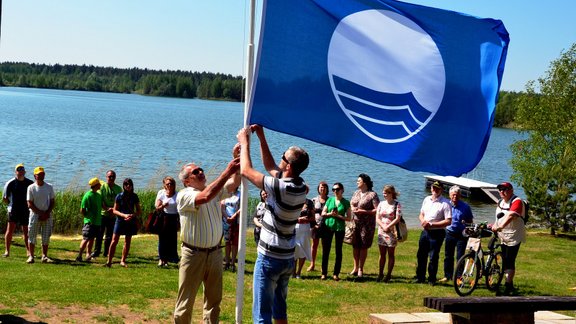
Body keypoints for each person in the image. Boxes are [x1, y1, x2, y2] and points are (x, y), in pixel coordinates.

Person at [237, 124, 309, 324]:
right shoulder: (301, 186)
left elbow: (245, 170)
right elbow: (271, 167)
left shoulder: (279, 187)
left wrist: (244, 143)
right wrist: (261, 136)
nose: (280, 159)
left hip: (270, 258)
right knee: (279, 312)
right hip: (287, 258)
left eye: (283, 157)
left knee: (262, 316)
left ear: (288, 166)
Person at [173, 148, 240, 323]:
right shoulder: (184, 195)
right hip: (193, 254)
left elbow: (234, 183)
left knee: (213, 302)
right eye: (195, 172)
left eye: (201, 169)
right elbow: (205, 196)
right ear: (187, 181)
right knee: (185, 304)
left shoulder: (214, 191)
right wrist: (227, 171)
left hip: (216, 253)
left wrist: (237, 159)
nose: (201, 172)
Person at [491, 181, 526, 295]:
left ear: (511, 191)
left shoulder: (517, 201)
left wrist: (500, 226)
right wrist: (494, 225)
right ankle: (509, 283)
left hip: (514, 235)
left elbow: (511, 216)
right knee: (505, 258)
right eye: (500, 189)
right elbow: (499, 216)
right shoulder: (500, 202)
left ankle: (507, 285)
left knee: (510, 260)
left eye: (505, 189)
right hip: (502, 234)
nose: (502, 192)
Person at [415, 181, 452, 285]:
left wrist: (432, 225)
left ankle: (432, 278)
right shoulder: (426, 199)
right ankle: (420, 277)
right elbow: (421, 214)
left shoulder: (445, 203)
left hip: (437, 233)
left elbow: (448, 221)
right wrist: (423, 221)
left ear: (441, 190)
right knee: (421, 255)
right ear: (431, 188)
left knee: (433, 256)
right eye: (433, 188)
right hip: (425, 231)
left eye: (437, 188)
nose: (435, 190)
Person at [439, 185, 474, 283]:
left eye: (457, 195)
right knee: (448, 256)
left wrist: (468, 228)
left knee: (460, 256)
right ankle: (447, 275)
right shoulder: (446, 205)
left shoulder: (465, 207)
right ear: (450, 195)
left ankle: (459, 277)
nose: (455, 197)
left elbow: (470, 221)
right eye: (453, 195)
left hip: (461, 235)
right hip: (449, 233)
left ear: (460, 195)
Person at [105, 178, 141, 268]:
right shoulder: (119, 196)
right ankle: (109, 261)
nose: (128, 186)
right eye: (126, 184)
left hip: (130, 220)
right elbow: (114, 210)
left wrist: (132, 215)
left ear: (132, 186)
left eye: (129, 184)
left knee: (127, 241)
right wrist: (124, 215)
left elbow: (139, 211)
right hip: (120, 220)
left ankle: (123, 260)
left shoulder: (134, 196)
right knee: (114, 241)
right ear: (123, 186)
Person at [349, 173, 380, 278]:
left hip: (367, 225)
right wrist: (352, 208)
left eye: (359, 180)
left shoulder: (372, 195)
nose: (357, 182)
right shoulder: (356, 192)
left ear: (365, 183)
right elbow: (351, 203)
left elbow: (377, 209)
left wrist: (364, 211)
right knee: (355, 245)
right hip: (355, 223)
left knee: (363, 246)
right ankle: (355, 267)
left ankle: (361, 269)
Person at [320, 182, 351, 281]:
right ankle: (324, 273)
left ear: (342, 190)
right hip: (328, 227)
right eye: (333, 189)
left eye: (337, 189)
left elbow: (349, 218)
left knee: (338, 251)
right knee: (326, 250)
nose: (335, 191)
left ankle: (335, 273)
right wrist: (330, 214)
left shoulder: (346, 202)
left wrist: (338, 216)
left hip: (340, 229)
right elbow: (323, 213)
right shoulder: (329, 200)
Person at [3, 163, 34, 258]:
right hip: (13, 209)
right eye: (18, 171)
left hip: (26, 210)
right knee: (10, 230)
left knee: (26, 231)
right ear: (15, 172)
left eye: (22, 171)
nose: (20, 172)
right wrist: (10, 205)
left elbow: (34, 196)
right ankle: (7, 251)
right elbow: (5, 198)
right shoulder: (10, 183)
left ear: (24, 172)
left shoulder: (30, 183)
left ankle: (28, 251)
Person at [26, 166, 55, 264]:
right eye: (39, 174)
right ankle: (31, 256)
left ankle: (44, 256)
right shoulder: (31, 187)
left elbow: (52, 201)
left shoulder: (49, 187)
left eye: (42, 174)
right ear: (35, 176)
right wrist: (40, 213)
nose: (41, 176)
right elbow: (29, 203)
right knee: (32, 235)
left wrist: (46, 213)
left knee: (46, 236)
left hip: (47, 215)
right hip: (34, 215)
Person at [375, 185, 402, 283]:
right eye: (383, 192)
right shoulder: (381, 204)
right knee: (382, 254)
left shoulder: (397, 204)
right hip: (381, 231)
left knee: (391, 254)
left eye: (386, 193)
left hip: (392, 232)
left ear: (391, 194)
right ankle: (380, 273)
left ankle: (388, 274)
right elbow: (377, 217)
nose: (384, 194)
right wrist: (383, 226)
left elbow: (397, 218)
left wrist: (388, 226)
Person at [93, 170, 122, 258]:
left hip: (113, 215)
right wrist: (106, 208)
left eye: (113, 176)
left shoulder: (118, 188)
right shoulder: (102, 187)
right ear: (106, 177)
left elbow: (120, 201)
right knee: (99, 234)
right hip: (103, 214)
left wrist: (113, 210)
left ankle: (106, 252)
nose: (111, 178)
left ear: (115, 177)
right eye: (109, 176)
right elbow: (100, 200)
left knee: (109, 235)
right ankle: (96, 252)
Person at [155, 176, 179, 267]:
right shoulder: (161, 193)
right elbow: (157, 208)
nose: (170, 185)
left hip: (174, 218)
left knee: (172, 240)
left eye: (171, 183)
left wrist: (179, 221)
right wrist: (163, 206)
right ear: (164, 185)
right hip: (164, 218)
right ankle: (161, 259)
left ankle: (169, 259)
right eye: (168, 184)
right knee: (162, 240)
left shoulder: (177, 194)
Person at [77, 177, 103, 262]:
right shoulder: (88, 195)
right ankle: (79, 255)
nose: (100, 185)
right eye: (99, 184)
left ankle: (88, 254)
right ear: (96, 185)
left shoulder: (98, 195)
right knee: (86, 238)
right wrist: (87, 217)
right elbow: (82, 209)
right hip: (89, 222)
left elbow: (102, 205)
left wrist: (109, 209)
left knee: (92, 239)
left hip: (97, 222)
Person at [293, 186, 314, 279]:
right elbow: (290, 215)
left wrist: (307, 219)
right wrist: (299, 218)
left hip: (305, 228)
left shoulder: (309, 202)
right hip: (295, 227)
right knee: (295, 249)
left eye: (304, 190)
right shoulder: (293, 200)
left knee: (304, 248)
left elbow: (313, 217)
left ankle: (299, 272)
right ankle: (292, 272)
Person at [307, 181, 328, 272]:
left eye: (324, 187)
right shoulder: (314, 200)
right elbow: (310, 214)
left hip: (327, 226)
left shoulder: (330, 200)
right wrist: (313, 224)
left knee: (325, 246)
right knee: (314, 245)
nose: (322, 189)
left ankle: (324, 265)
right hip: (315, 225)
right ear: (318, 189)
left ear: (327, 189)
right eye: (320, 187)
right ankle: (312, 264)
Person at [222, 186, 240, 272]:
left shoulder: (240, 194)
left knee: (234, 243)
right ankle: (227, 262)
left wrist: (234, 216)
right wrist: (227, 217)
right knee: (227, 242)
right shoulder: (225, 194)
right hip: (226, 221)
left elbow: (241, 208)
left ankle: (233, 263)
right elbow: (222, 207)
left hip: (236, 222)